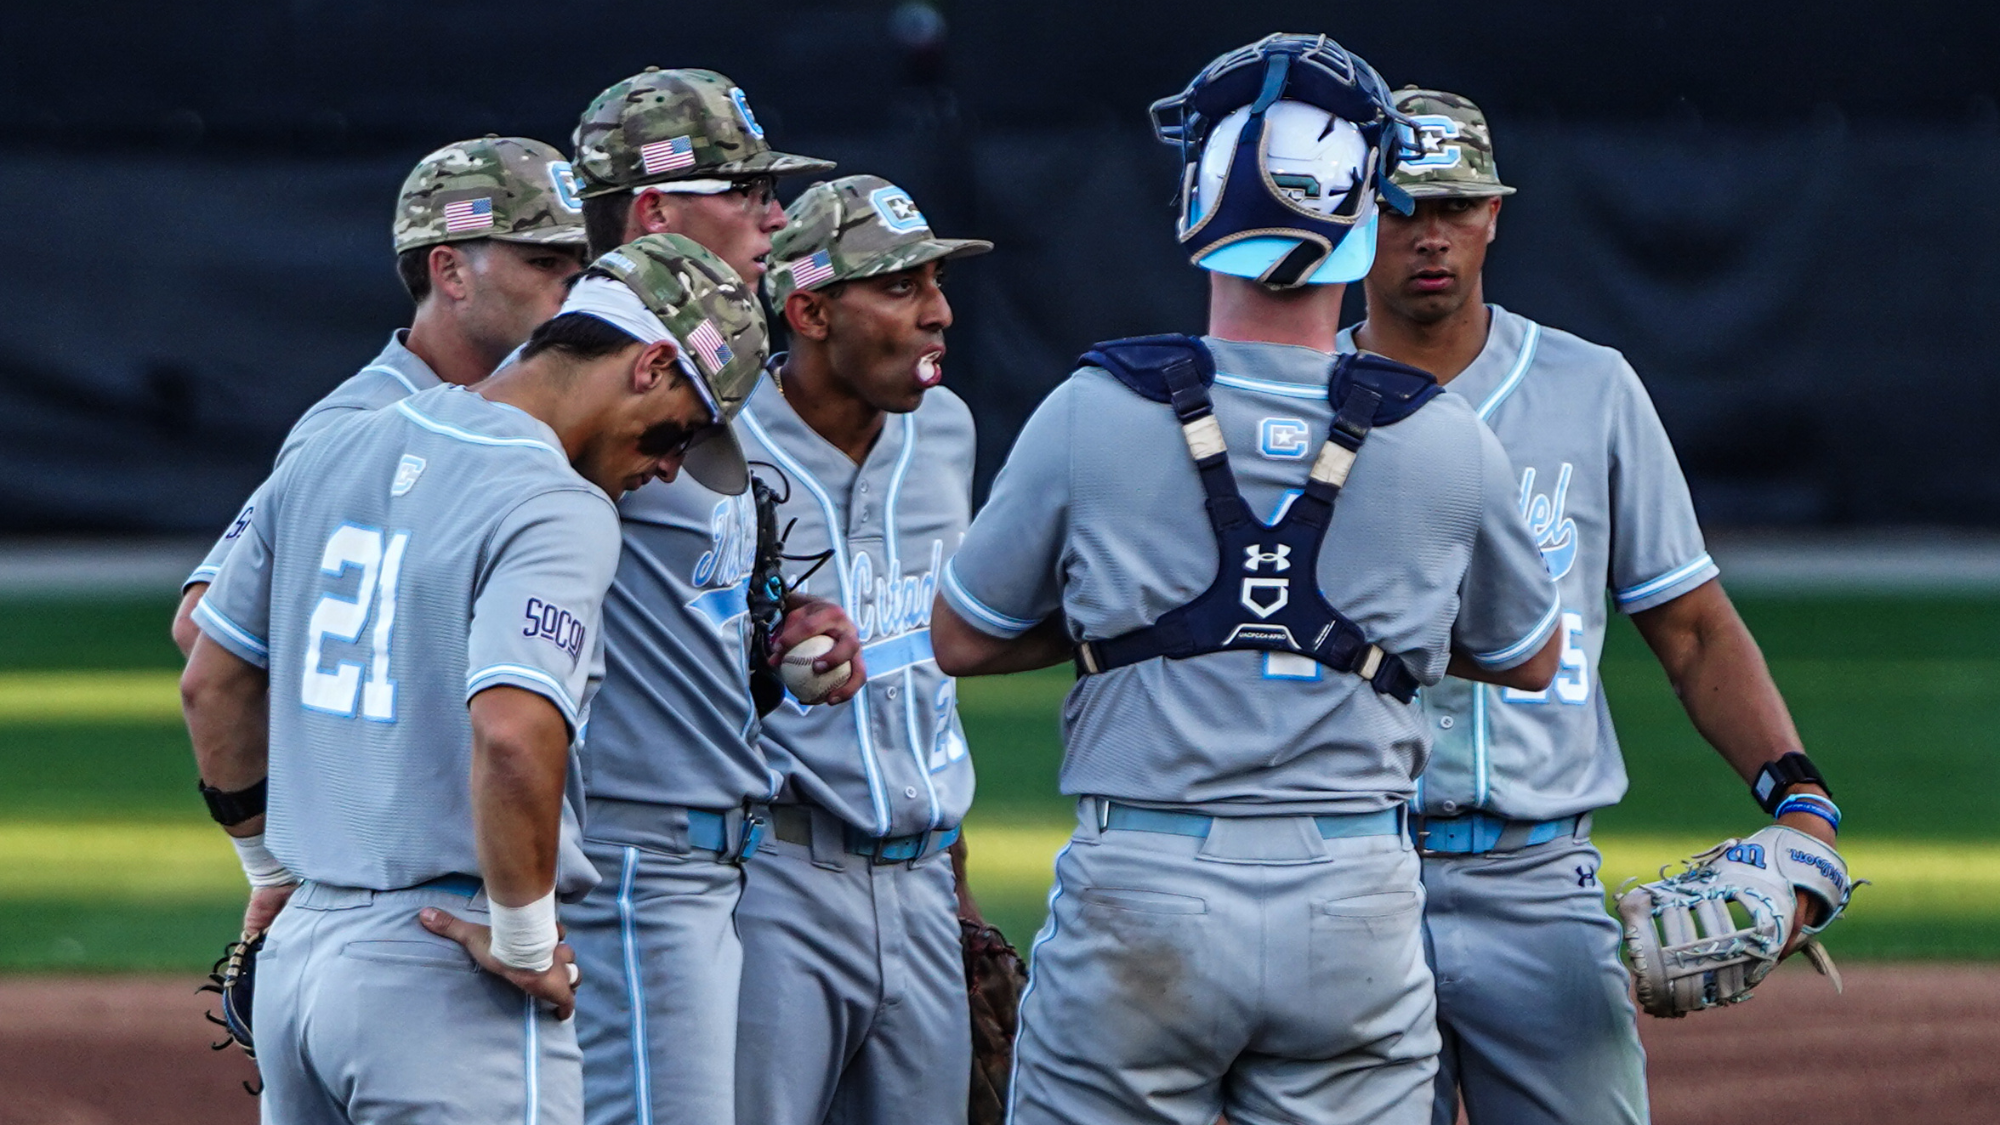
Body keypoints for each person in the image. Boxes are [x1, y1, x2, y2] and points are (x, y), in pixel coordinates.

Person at [928, 35, 1563, 1125]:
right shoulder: (1445, 439)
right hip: (1353, 896)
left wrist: (1130, 624)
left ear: (1198, 208)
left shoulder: (1092, 410)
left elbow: (962, 636)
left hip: (1142, 886)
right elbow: (1528, 653)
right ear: (1361, 217)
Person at [178, 233, 770, 1124]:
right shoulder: (555, 501)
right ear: (650, 364)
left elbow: (213, 675)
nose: (670, 466)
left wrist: (264, 865)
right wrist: (528, 942)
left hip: (300, 968)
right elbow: (511, 730)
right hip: (444, 978)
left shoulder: (339, 442)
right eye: (682, 430)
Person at [1341, 87, 1845, 1125]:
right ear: (1351, 214)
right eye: (1400, 207)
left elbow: (1691, 626)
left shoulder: (1588, 389)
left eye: (1455, 205)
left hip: (1538, 881)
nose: (1429, 236)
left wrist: (1795, 792)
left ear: (1493, 215)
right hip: (1347, 877)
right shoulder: (1294, 401)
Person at [558, 68, 866, 1125]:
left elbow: (677, 597)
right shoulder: (585, 396)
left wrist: (780, 630)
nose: (773, 214)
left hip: (708, 864)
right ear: (653, 208)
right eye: (743, 188)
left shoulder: (691, 373)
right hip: (631, 861)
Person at [731, 173, 991, 1125]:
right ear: (809, 310)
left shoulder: (949, 431)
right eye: (902, 287)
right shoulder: (716, 447)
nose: (939, 313)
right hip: (777, 881)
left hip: (923, 881)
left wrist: (956, 888)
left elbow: (927, 678)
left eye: (936, 283)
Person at [172, 135, 589, 654]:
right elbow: (203, 624)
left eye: (583, 266)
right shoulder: (358, 423)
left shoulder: (559, 404)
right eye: (545, 263)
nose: (576, 287)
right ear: (451, 272)